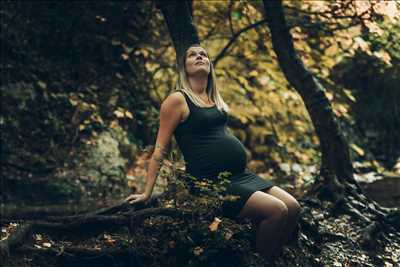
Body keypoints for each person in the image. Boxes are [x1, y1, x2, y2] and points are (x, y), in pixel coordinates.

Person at [124, 44, 301, 261]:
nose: (199, 56)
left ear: (210, 65)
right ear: (184, 67)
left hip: (240, 176)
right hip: (210, 182)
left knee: (293, 207)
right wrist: (147, 192)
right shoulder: (177, 100)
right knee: (277, 211)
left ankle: (269, 255)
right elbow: (161, 147)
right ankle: (261, 262)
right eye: (192, 55)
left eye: (203, 54)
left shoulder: (214, 99)